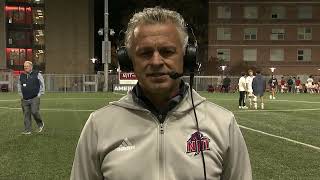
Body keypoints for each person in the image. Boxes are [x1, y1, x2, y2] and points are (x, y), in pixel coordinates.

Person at [71, 7, 252, 180]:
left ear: (187, 56)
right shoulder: (99, 126)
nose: (156, 61)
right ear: (128, 61)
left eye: (167, 51)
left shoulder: (223, 123)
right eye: (145, 53)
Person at [17, 61, 45, 135]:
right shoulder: (21, 75)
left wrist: (40, 94)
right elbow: (19, 85)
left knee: (34, 111)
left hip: (34, 97)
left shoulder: (37, 74)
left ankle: (40, 124)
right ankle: (27, 130)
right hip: (24, 99)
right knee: (26, 114)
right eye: (24, 66)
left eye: (27, 66)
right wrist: (21, 95)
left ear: (31, 67)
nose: (25, 67)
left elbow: (42, 84)